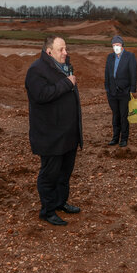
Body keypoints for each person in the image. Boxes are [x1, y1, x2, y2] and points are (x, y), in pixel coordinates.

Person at [25, 35, 83, 226]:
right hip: (50, 136)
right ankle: (47, 211)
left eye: (66, 48)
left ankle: (60, 203)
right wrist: (68, 83)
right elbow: (41, 95)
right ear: (49, 52)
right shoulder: (36, 71)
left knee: (64, 174)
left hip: (67, 135)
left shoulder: (65, 67)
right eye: (61, 50)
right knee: (49, 175)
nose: (66, 53)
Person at [104, 35, 137, 147]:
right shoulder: (110, 57)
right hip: (112, 92)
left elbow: (133, 73)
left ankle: (124, 139)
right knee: (115, 115)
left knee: (124, 116)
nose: (115, 47)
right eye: (113, 45)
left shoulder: (130, 56)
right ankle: (115, 138)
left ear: (122, 45)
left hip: (124, 92)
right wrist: (107, 89)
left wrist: (132, 89)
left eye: (117, 45)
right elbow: (107, 74)